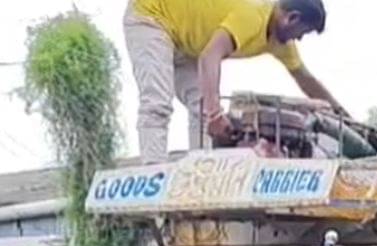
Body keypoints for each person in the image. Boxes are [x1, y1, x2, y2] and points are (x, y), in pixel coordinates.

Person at [123, 0, 345, 163]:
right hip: (151, 17)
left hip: (185, 43)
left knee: (201, 105)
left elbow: (307, 81)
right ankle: (151, 171)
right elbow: (209, 57)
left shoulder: (280, 43)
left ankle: (200, 170)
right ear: (291, 18)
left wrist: (343, 116)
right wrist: (215, 114)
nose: (298, 39)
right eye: (302, 33)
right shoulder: (252, 18)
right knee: (158, 102)